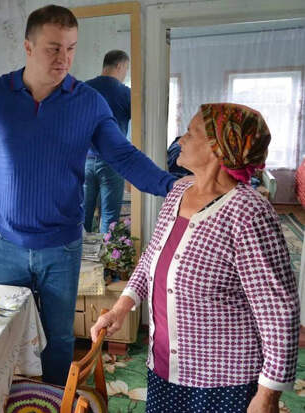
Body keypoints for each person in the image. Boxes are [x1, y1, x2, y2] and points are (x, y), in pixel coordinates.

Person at [0, 5, 178, 386]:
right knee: (3, 332)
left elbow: (124, 156)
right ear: (28, 46)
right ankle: (8, 398)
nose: (64, 58)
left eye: (71, 48)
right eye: (53, 48)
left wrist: (172, 186)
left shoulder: (89, 102)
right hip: (5, 243)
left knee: (60, 339)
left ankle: (55, 398)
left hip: (61, 246)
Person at [90, 103, 299, 412]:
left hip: (222, 381)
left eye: (191, 132)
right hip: (165, 367)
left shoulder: (248, 213)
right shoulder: (179, 192)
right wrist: (121, 308)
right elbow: (151, 258)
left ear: (219, 148)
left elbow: (278, 312)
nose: (181, 140)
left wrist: (268, 394)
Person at [83, 50, 131, 233]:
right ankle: (105, 251)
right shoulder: (125, 93)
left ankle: (80, 251)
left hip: (85, 160)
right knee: (109, 217)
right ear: (119, 66)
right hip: (112, 161)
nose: (125, 73)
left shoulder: (84, 89)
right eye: (126, 68)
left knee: (83, 214)